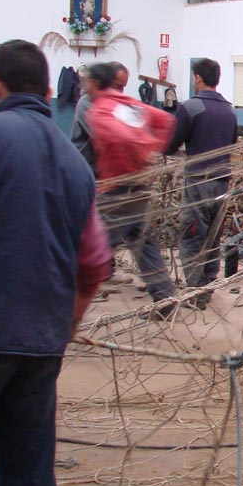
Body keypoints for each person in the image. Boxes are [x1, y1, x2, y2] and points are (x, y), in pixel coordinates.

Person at [0, 40, 112, 486]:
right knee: (27, 476)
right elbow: (93, 267)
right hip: (38, 346)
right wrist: (58, 337)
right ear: (49, 91)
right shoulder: (75, 165)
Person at [87, 62, 178, 316]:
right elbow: (166, 120)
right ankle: (164, 300)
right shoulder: (129, 105)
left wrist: (143, 147)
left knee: (91, 249)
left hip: (116, 190)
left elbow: (125, 137)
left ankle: (60, 308)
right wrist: (150, 149)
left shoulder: (101, 110)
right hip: (138, 187)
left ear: (95, 83)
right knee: (144, 245)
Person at [165, 58, 238, 310]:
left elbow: (171, 144)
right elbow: (233, 142)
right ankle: (207, 285)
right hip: (222, 182)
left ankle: (195, 292)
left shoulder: (190, 107)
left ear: (197, 78)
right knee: (213, 236)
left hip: (198, 181)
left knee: (193, 234)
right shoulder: (230, 109)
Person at [71, 62, 128, 175]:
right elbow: (106, 136)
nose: (120, 91)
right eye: (117, 86)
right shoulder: (86, 103)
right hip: (87, 170)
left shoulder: (115, 103)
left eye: (123, 87)